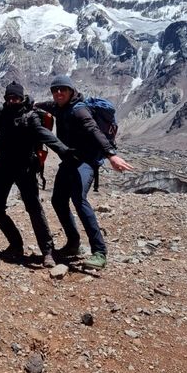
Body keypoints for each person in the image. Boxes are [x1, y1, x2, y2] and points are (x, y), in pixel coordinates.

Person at [37, 75, 134, 270]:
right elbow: (42, 105)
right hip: (70, 160)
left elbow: (94, 130)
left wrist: (111, 155)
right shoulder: (58, 106)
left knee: (78, 198)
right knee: (58, 200)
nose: (58, 93)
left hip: (87, 161)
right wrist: (26, 104)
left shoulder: (79, 110)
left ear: (71, 91)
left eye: (62, 89)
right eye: (55, 90)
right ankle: (73, 243)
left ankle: (99, 252)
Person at [0, 81, 71, 267]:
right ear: (6, 99)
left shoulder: (30, 117)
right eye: (9, 97)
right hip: (3, 169)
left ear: (22, 98)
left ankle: (47, 251)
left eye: (16, 97)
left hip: (26, 170)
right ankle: (16, 244)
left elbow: (44, 135)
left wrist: (64, 151)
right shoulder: (2, 113)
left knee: (34, 209)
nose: (13, 100)